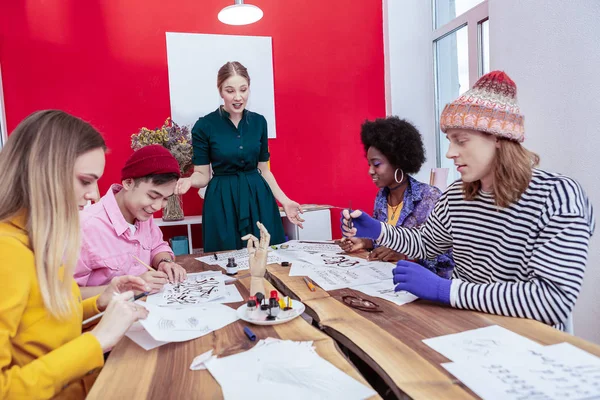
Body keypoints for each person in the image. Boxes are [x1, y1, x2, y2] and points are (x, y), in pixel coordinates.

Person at [341, 71, 595, 331]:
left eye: (461, 141)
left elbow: (552, 300)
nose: (451, 153)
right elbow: (425, 244)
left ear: (498, 138)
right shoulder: (456, 195)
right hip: (468, 331)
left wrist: (445, 290)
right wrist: (377, 229)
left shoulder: (558, 197)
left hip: (530, 344)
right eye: (450, 141)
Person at [0, 110, 150, 399]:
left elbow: (38, 324)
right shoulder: (7, 253)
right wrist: (97, 340)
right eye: (85, 181)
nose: (94, 194)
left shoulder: (37, 241)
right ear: (43, 174)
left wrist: (100, 302)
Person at [175, 61, 304, 252]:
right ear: (220, 92)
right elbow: (203, 176)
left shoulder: (259, 122)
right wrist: (189, 181)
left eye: (243, 90)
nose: (238, 97)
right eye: (230, 90)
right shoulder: (204, 126)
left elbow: (264, 170)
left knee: (267, 255)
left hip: (258, 197)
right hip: (222, 201)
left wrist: (285, 201)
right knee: (227, 262)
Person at [339, 116, 454, 278]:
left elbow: (449, 258)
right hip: (386, 282)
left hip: (423, 292)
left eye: (377, 164)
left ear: (398, 162)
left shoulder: (430, 197)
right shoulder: (381, 197)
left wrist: (407, 255)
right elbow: (384, 240)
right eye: (369, 165)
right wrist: (365, 242)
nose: (370, 171)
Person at [74, 145, 188, 299]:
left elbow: (157, 246)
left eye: (165, 199)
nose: (157, 206)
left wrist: (165, 262)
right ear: (128, 183)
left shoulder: (142, 214)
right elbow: (66, 296)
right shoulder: (85, 227)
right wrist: (127, 288)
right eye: (153, 196)